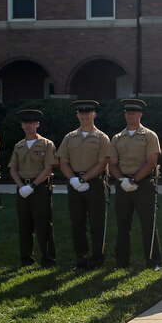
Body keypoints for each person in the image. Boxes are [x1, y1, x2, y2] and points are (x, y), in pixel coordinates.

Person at [109, 98, 162, 270]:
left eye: (134, 112)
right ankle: (121, 262)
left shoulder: (149, 135)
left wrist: (134, 180)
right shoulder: (117, 138)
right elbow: (112, 163)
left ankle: (153, 261)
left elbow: (151, 161)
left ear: (140, 114)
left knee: (148, 224)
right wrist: (122, 180)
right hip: (123, 183)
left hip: (143, 184)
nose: (130, 115)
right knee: (123, 224)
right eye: (127, 112)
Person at [57, 100, 111, 269]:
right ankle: (81, 259)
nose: (85, 116)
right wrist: (73, 179)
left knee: (97, 223)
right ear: (77, 115)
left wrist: (84, 179)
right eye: (81, 113)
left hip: (94, 184)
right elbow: (63, 161)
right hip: (74, 184)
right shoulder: (69, 137)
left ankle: (97, 260)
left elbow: (102, 163)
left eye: (88, 113)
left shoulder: (102, 138)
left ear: (94, 115)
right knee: (77, 223)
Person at [7, 109, 57, 268]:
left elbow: (49, 167)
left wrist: (33, 185)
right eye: (24, 123)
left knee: (43, 224)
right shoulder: (19, 146)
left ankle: (48, 260)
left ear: (37, 124)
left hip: (40, 187)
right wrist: (21, 186)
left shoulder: (46, 144)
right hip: (22, 188)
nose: (28, 125)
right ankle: (26, 260)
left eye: (31, 122)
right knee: (24, 225)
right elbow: (12, 168)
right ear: (22, 125)